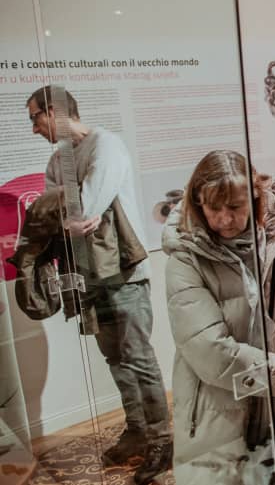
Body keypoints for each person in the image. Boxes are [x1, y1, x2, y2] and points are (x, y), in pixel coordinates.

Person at [26, 86, 171, 484]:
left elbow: (83, 209)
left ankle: (162, 440)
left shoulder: (106, 145)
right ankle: (137, 430)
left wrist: (71, 211)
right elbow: (57, 218)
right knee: (114, 359)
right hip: (87, 275)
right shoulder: (57, 162)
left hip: (124, 273)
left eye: (35, 118)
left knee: (138, 358)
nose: (34, 128)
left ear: (54, 110)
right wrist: (69, 214)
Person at [163, 150, 275, 485]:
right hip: (216, 413)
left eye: (235, 207)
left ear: (254, 200)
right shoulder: (185, 259)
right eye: (214, 208)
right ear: (197, 204)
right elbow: (211, 351)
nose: (225, 218)